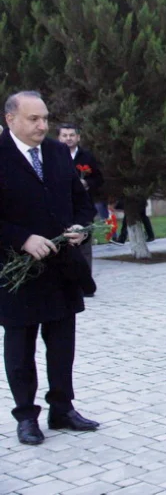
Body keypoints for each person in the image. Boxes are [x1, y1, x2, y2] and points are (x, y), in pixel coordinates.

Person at [0, 91, 100, 446]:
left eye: (45, 118)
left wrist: (80, 228)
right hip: (18, 273)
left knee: (61, 344)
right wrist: (22, 239)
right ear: (10, 119)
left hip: (61, 269)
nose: (43, 125)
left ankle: (62, 408)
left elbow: (82, 203)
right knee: (20, 347)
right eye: (34, 119)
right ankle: (26, 417)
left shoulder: (58, 153)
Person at [57, 123, 104, 282]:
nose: (68, 138)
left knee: (84, 245)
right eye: (65, 135)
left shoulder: (87, 156)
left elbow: (98, 178)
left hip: (83, 207)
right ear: (59, 137)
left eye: (71, 135)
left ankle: (85, 282)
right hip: (61, 207)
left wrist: (87, 183)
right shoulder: (53, 156)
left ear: (78, 137)